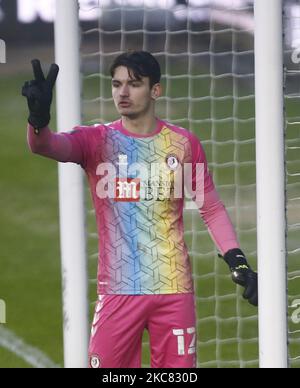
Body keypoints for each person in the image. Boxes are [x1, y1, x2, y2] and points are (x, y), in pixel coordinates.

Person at [22, 51, 258, 369]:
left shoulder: (183, 144)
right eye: (117, 84)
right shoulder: (96, 140)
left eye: (133, 84)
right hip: (119, 290)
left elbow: (211, 207)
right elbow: (45, 145)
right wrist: (38, 121)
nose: (122, 92)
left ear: (155, 90)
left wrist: (236, 258)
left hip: (174, 288)